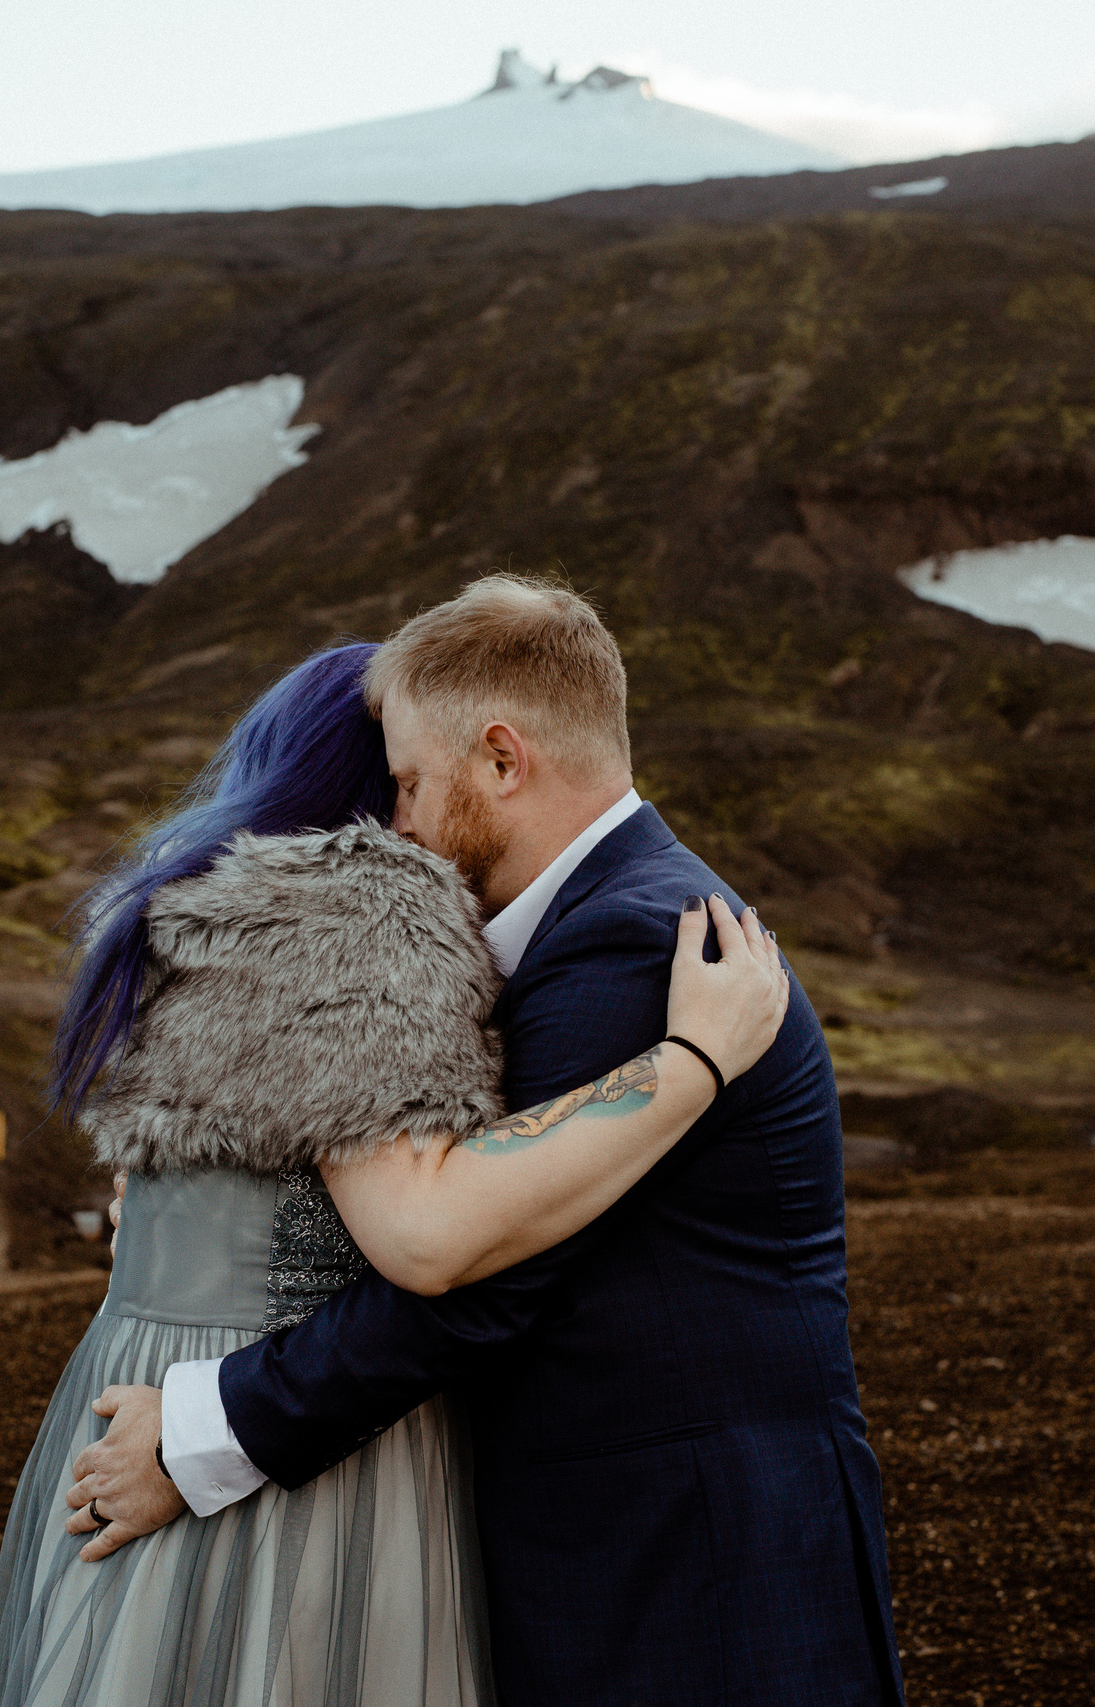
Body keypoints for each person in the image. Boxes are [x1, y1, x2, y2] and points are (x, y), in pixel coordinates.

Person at [65, 578, 905, 1706]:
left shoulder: (630, 946)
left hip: (689, 1562)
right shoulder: (588, 924)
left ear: (502, 760)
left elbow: (478, 1278)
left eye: (412, 782)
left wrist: (207, 1433)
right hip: (657, 1540)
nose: (401, 824)